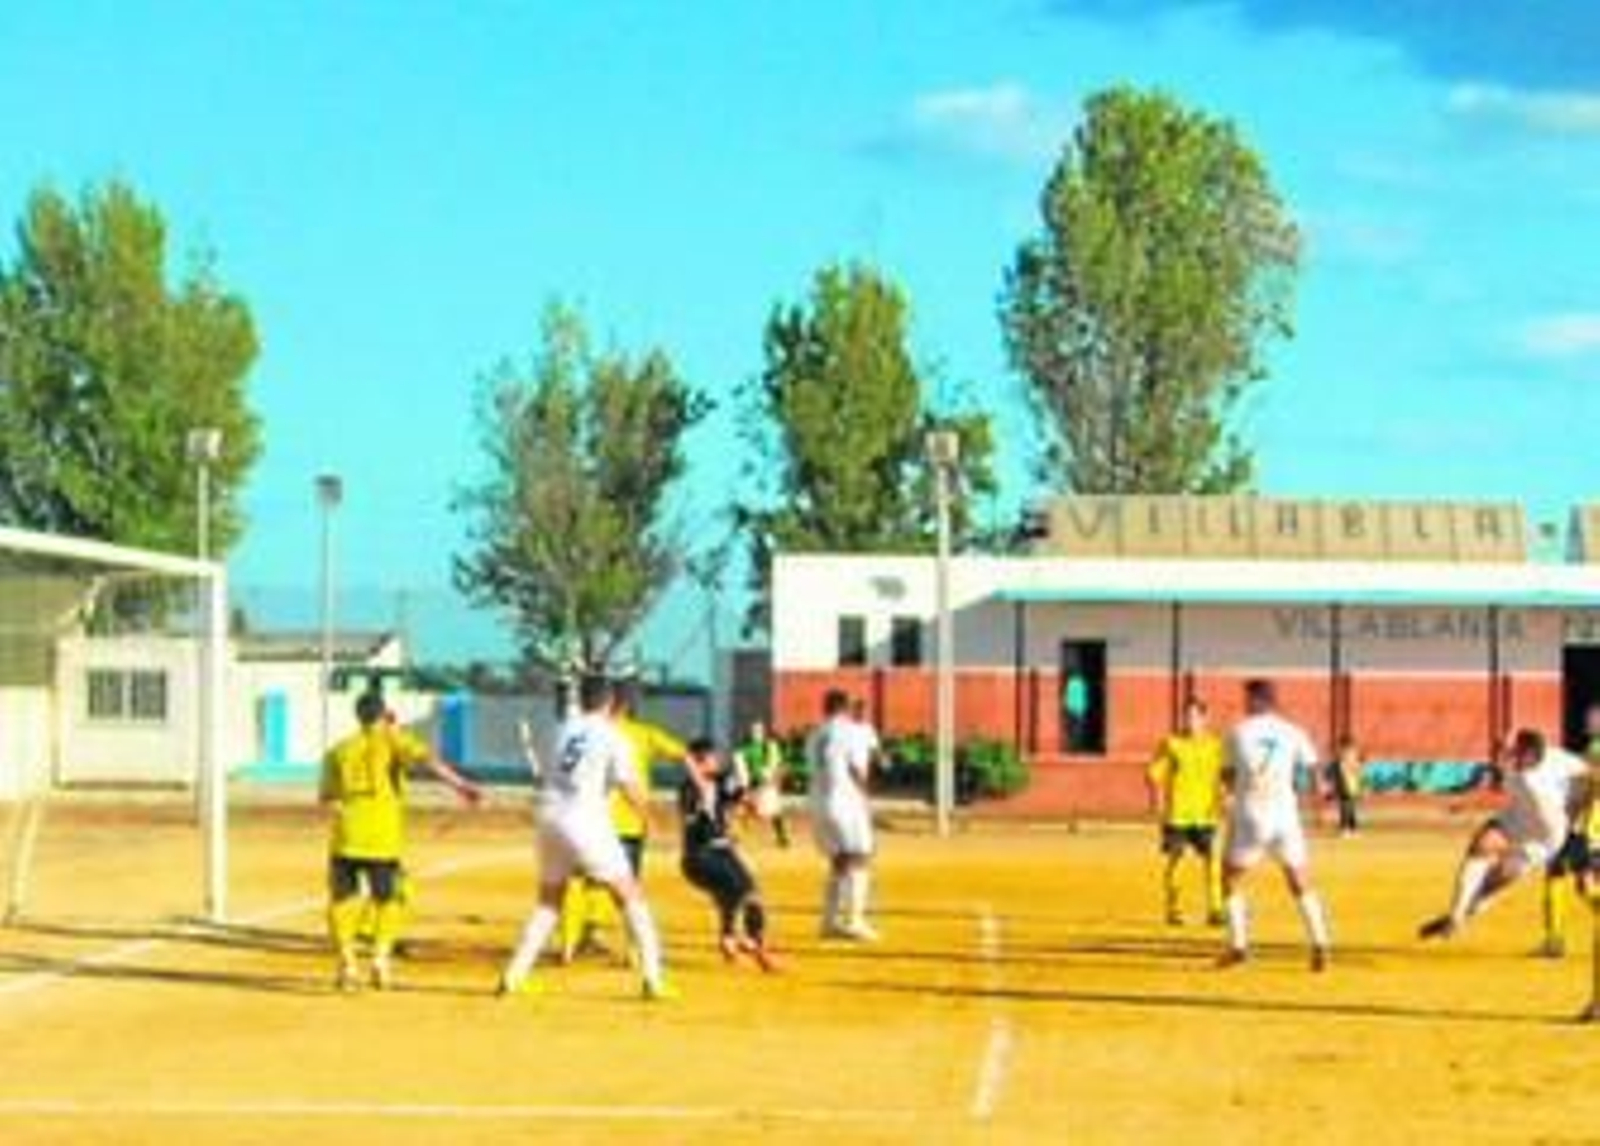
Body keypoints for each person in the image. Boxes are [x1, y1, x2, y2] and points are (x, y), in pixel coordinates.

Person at [498, 674, 675, 1001]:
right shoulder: (613, 735)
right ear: (610, 702)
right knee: (630, 895)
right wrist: (651, 817)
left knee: (549, 903)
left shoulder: (562, 728)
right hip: (584, 819)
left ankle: (513, 975)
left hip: (549, 818)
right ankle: (653, 978)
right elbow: (628, 785)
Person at [320, 690, 482, 992]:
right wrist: (462, 786)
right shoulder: (394, 739)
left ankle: (347, 960)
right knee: (392, 897)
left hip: (345, 836)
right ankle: (380, 958)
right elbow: (428, 760)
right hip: (382, 838)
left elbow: (327, 799)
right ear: (383, 714)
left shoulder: (338, 750)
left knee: (342, 900)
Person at [559, 678, 687, 963]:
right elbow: (681, 754)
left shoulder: (573, 732)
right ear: (627, 705)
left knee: (578, 882)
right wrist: (651, 816)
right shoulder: (636, 734)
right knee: (627, 888)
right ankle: (636, 954)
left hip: (582, 821)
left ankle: (572, 943)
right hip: (625, 824)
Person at [1418, 729, 1587, 945]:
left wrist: (1578, 818)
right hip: (1514, 821)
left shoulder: (1559, 762)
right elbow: (1498, 780)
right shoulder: (1512, 759)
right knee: (1481, 845)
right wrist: (1468, 802)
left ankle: (1463, 915)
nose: (1516, 758)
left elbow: (1590, 776)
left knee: (1495, 883)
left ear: (1536, 756)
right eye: (1516, 752)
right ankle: (1456, 914)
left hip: (1544, 839)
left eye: (1522, 756)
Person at [1217, 679, 1332, 972]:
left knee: (1230, 879)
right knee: (1299, 879)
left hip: (1251, 814)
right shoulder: (1292, 731)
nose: (1243, 703)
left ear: (1255, 700)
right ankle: (1320, 943)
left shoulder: (1238, 732)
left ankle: (1239, 946)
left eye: (1246, 698)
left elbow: (1227, 777)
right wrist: (1321, 804)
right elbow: (1314, 770)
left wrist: (1227, 799)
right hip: (1285, 816)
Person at [678, 737, 776, 971]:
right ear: (700, 761)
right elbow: (701, 807)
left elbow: (746, 805)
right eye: (713, 757)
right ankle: (753, 946)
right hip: (705, 856)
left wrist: (756, 793)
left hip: (712, 854)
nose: (719, 761)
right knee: (749, 895)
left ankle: (729, 939)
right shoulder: (696, 786)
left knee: (730, 897)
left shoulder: (711, 782)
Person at [1145, 697, 1226, 927]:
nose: (1189, 721)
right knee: (1176, 863)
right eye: (1186, 716)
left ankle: (1216, 910)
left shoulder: (1216, 746)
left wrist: (1226, 798)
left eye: (1194, 716)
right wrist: (1156, 803)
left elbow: (1225, 777)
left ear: (1204, 718)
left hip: (1207, 815)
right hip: (1178, 814)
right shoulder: (1171, 743)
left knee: (1213, 862)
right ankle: (1174, 909)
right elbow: (1152, 774)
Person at [809, 689, 879, 941]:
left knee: (839, 861)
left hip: (818, 803)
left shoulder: (816, 733)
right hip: (844, 801)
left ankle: (828, 922)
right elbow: (856, 768)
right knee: (861, 857)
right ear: (844, 707)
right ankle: (855, 920)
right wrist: (866, 797)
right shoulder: (848, 730)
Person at [734, 720, 790, 847]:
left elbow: (780, 766)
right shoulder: (744, 749)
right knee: (743, 809)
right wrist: (746, 786)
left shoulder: (771, 746)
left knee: (774, 811)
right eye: (754, 731)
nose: (757, 733)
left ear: (764, 732)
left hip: (768, 784)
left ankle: (782, 837)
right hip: (753, 783)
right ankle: (737, 835)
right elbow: (742, 769)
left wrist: (775, 780)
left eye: (760, 731)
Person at [1330, 735, 1365, 837]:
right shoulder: (1342, 756)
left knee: (1351, 808)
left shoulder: (1350, 754)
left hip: (1351, 784)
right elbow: (1340, 769)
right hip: (1345, 784)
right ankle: (1345, 829)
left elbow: (1358, 769)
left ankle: (1352, 829)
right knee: (1345, 808)